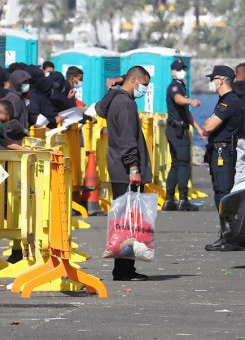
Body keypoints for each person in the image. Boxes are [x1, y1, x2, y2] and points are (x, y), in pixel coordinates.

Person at [95, 66, 152, 281]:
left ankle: (124, 269)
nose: (144, 89)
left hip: (117, 169)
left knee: (123, 221)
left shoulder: (114, 100)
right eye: (144, 85)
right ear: (134, 80)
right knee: (129, 223)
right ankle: (124, 270)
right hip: (127, 171)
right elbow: (128, 139)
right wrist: (134, 167)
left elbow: (100, 108)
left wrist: (115, 85)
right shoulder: (126, 104)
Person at [201, 66, 243, 252]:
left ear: (221, 80)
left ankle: (231, 237)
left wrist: (207, 126)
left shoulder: (230, 101)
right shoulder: (224, 101)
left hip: (223, 152)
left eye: (214, 79)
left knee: (224, 194)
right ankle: (225, 234)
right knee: (220, 194)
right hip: (218, 151)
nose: (212, 82)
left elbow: (209, 126)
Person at [162, 58, 203, 211]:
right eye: (179, 69)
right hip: (176, 130)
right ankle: (183, 199)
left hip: (179, 128)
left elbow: (186, 114)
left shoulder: (181, 86)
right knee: (184, 163)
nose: (182, 72)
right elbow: (178, 100)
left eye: (183, 69)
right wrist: (190, 101)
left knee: (176, 164)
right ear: (173, 72)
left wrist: (198, 129)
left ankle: (169, 199)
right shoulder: (174, 87)